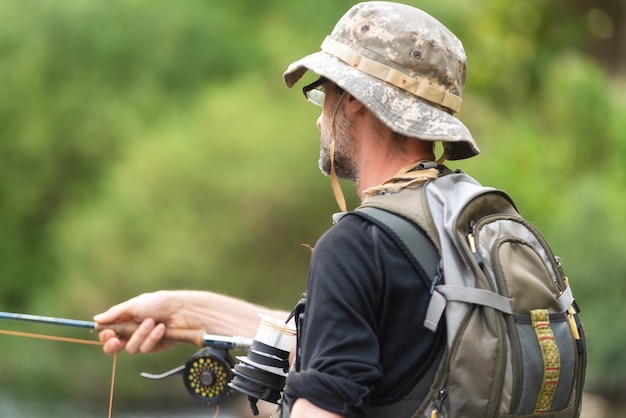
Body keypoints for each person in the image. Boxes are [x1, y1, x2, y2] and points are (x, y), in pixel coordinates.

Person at [95, 2, 480, 417]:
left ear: (352, 98)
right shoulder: (474, 224)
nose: (319, 121)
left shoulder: (358, 244)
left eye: (324, 93)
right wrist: (184, 311)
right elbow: (343, 337)